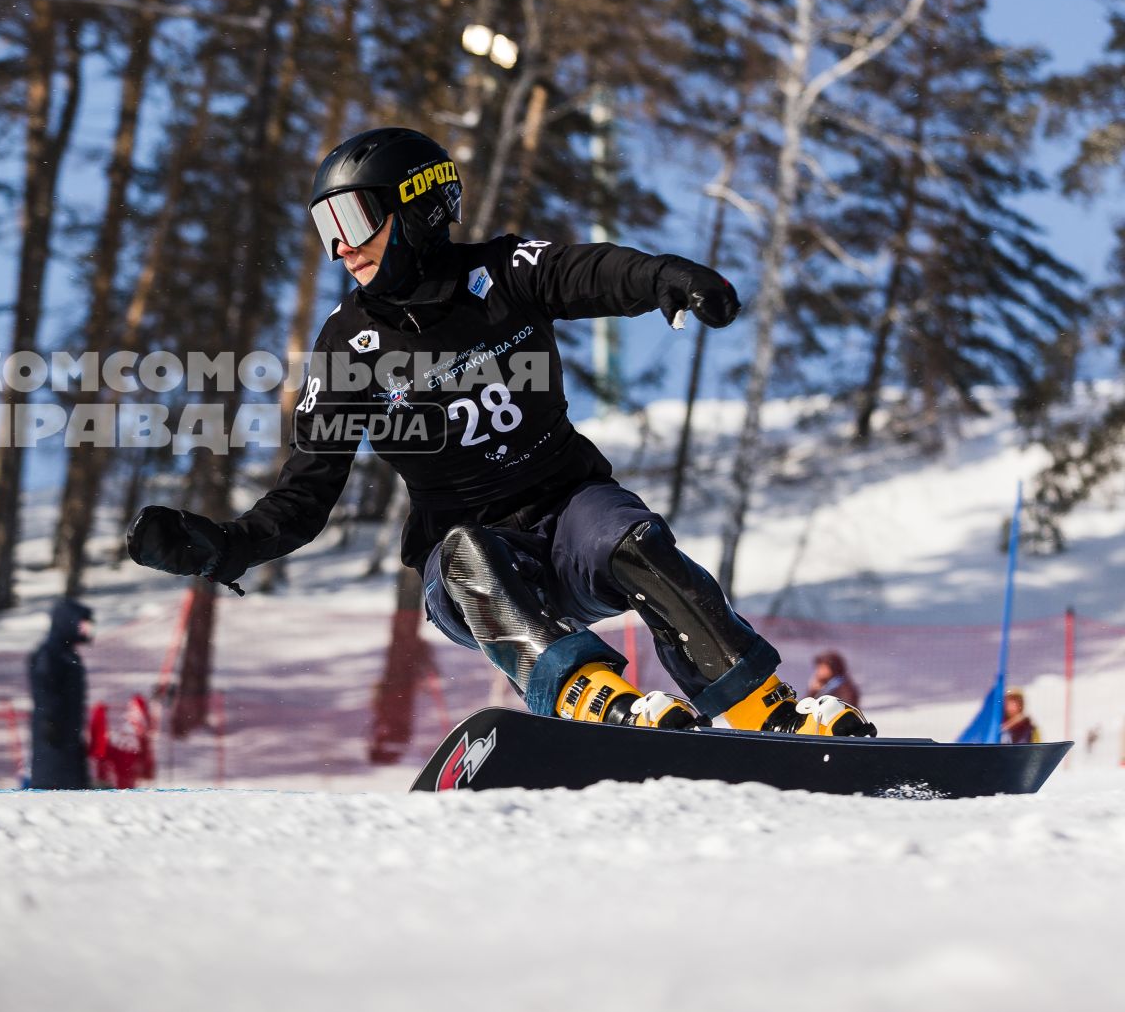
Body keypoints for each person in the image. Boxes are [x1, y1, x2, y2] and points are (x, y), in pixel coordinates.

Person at [127, 127, 873, 737]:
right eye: (325, 229)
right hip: (475, 569)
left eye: (352, 221)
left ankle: (759, 710)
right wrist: (226, 545)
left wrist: (666, 277)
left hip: (569, 515)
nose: (341, 249)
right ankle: (590, 697)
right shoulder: (346, 347)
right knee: (467, 552)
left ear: (417, 211)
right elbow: (306, 492)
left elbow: (592, 271)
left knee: (631, 537)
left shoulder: (503, 273)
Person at [27, 598, 94, 789]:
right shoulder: (50, 653)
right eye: (82, 624)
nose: (86, 630)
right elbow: (45, 688)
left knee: (73, 784)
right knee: (54, 784)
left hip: (69, 732)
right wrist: (49, 719)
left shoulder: (67, 653)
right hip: (53, 733)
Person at [90, 693, 156, 789]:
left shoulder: (137, 706)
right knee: (115, 783)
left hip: (127, 749)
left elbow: (145, 735)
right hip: (116, 748)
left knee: (125, 782)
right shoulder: (101, 709)